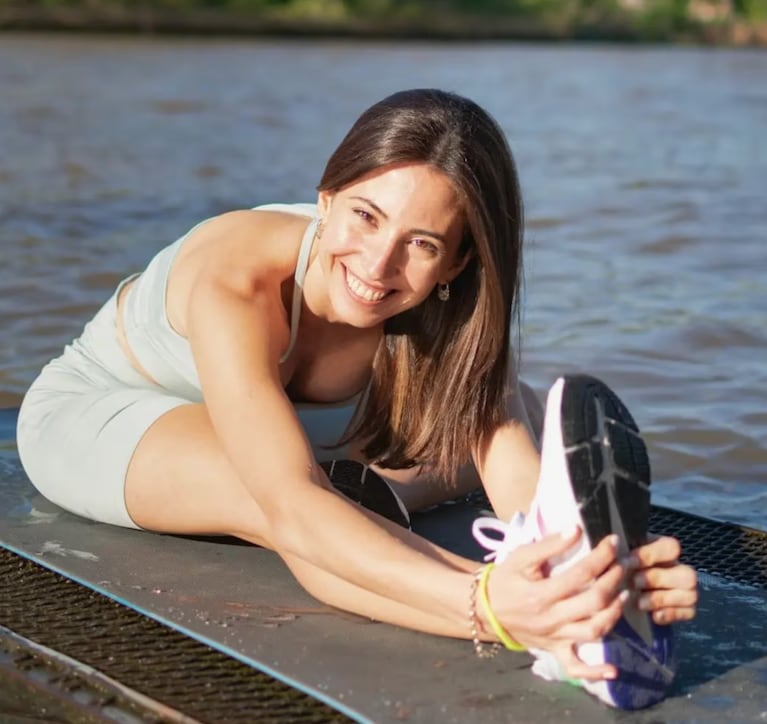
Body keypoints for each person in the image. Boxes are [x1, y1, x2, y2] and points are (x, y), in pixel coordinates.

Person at [17, 88, 697, 708]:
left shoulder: (450, 308)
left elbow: (511, 469)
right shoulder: (237, 276)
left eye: (420, 244)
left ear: (455, 263)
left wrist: (594, 579)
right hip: (109, 417)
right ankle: (515, 616)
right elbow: (289, 503)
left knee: (517, 414)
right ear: (325, 196)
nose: (377, 266)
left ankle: (513, 580)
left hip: (298, 437)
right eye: (365, 217)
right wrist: (494, 602)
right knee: (278, 495)